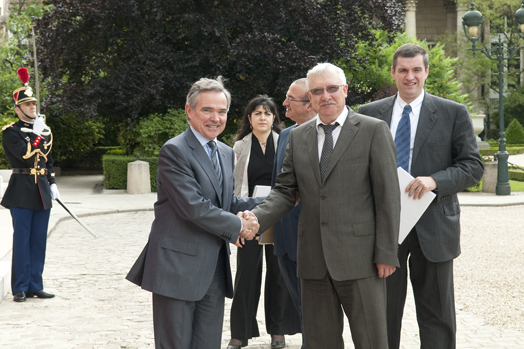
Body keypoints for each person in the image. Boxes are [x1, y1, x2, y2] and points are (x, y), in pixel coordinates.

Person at [246, 62, 401, 348]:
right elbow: (284, 191)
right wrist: (255, 219)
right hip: (313, 259)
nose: (325, 96)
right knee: (320, 342)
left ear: (344, 91)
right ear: (310, 97)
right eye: (317, 91)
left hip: (362, 260)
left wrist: (387, 253)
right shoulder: (298, 137)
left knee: (372, 340)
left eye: (332, 89)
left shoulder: (373, 130)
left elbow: (388, 197)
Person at [358, 43, 484, 348]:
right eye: (403, 70)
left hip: (435, 226)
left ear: (426, 71)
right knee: (382, 314)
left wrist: (434, 181)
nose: (410, 76)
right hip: (383, 229)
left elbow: (472, 166)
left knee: (437, 316)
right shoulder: (368, 115)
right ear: (393, 72)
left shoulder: (453, 113)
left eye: (416, 70)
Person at [126, 76, 261, 349]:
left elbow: (225, 202)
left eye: (221, 111)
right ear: (189, 111)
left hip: (214, 271)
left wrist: (268, 204)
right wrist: (238, 225)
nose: (215, 118)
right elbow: (194, 207)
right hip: (176, 270)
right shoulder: (174, 150)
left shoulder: (225, 152)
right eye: (207, 110)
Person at [227, 95, 300, 349]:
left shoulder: (287, 142)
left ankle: (277, 332)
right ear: (249, 119)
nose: (262, 117)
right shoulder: (238, 147)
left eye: (267, 113)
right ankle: (240, 334)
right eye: (257, 113)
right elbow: (231, 188)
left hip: (280, 216)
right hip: (248, 218)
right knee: (247, 274)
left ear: (274, 118)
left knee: (279, 274)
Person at [1, 67, 59, 303]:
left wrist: (52, 182)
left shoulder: (44, 130)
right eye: (27, 105)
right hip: (22, 189)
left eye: (34, 104)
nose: (32, 107)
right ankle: (20, 287)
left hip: (41, 190)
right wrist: (37, 136)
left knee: (39, 241)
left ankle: (36, 284)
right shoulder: (10, 132)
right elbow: (25, 154)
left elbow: (48, 158)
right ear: (18, 109)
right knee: (22, 240)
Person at [272, 78, 317, 348]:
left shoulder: (329, 135)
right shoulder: (286, 135)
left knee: (318, 312)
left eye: (291, 99)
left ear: (310, 105)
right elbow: (281, 188)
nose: (284, 103)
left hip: (315, 240)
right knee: (301, 309)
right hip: (285, 240)